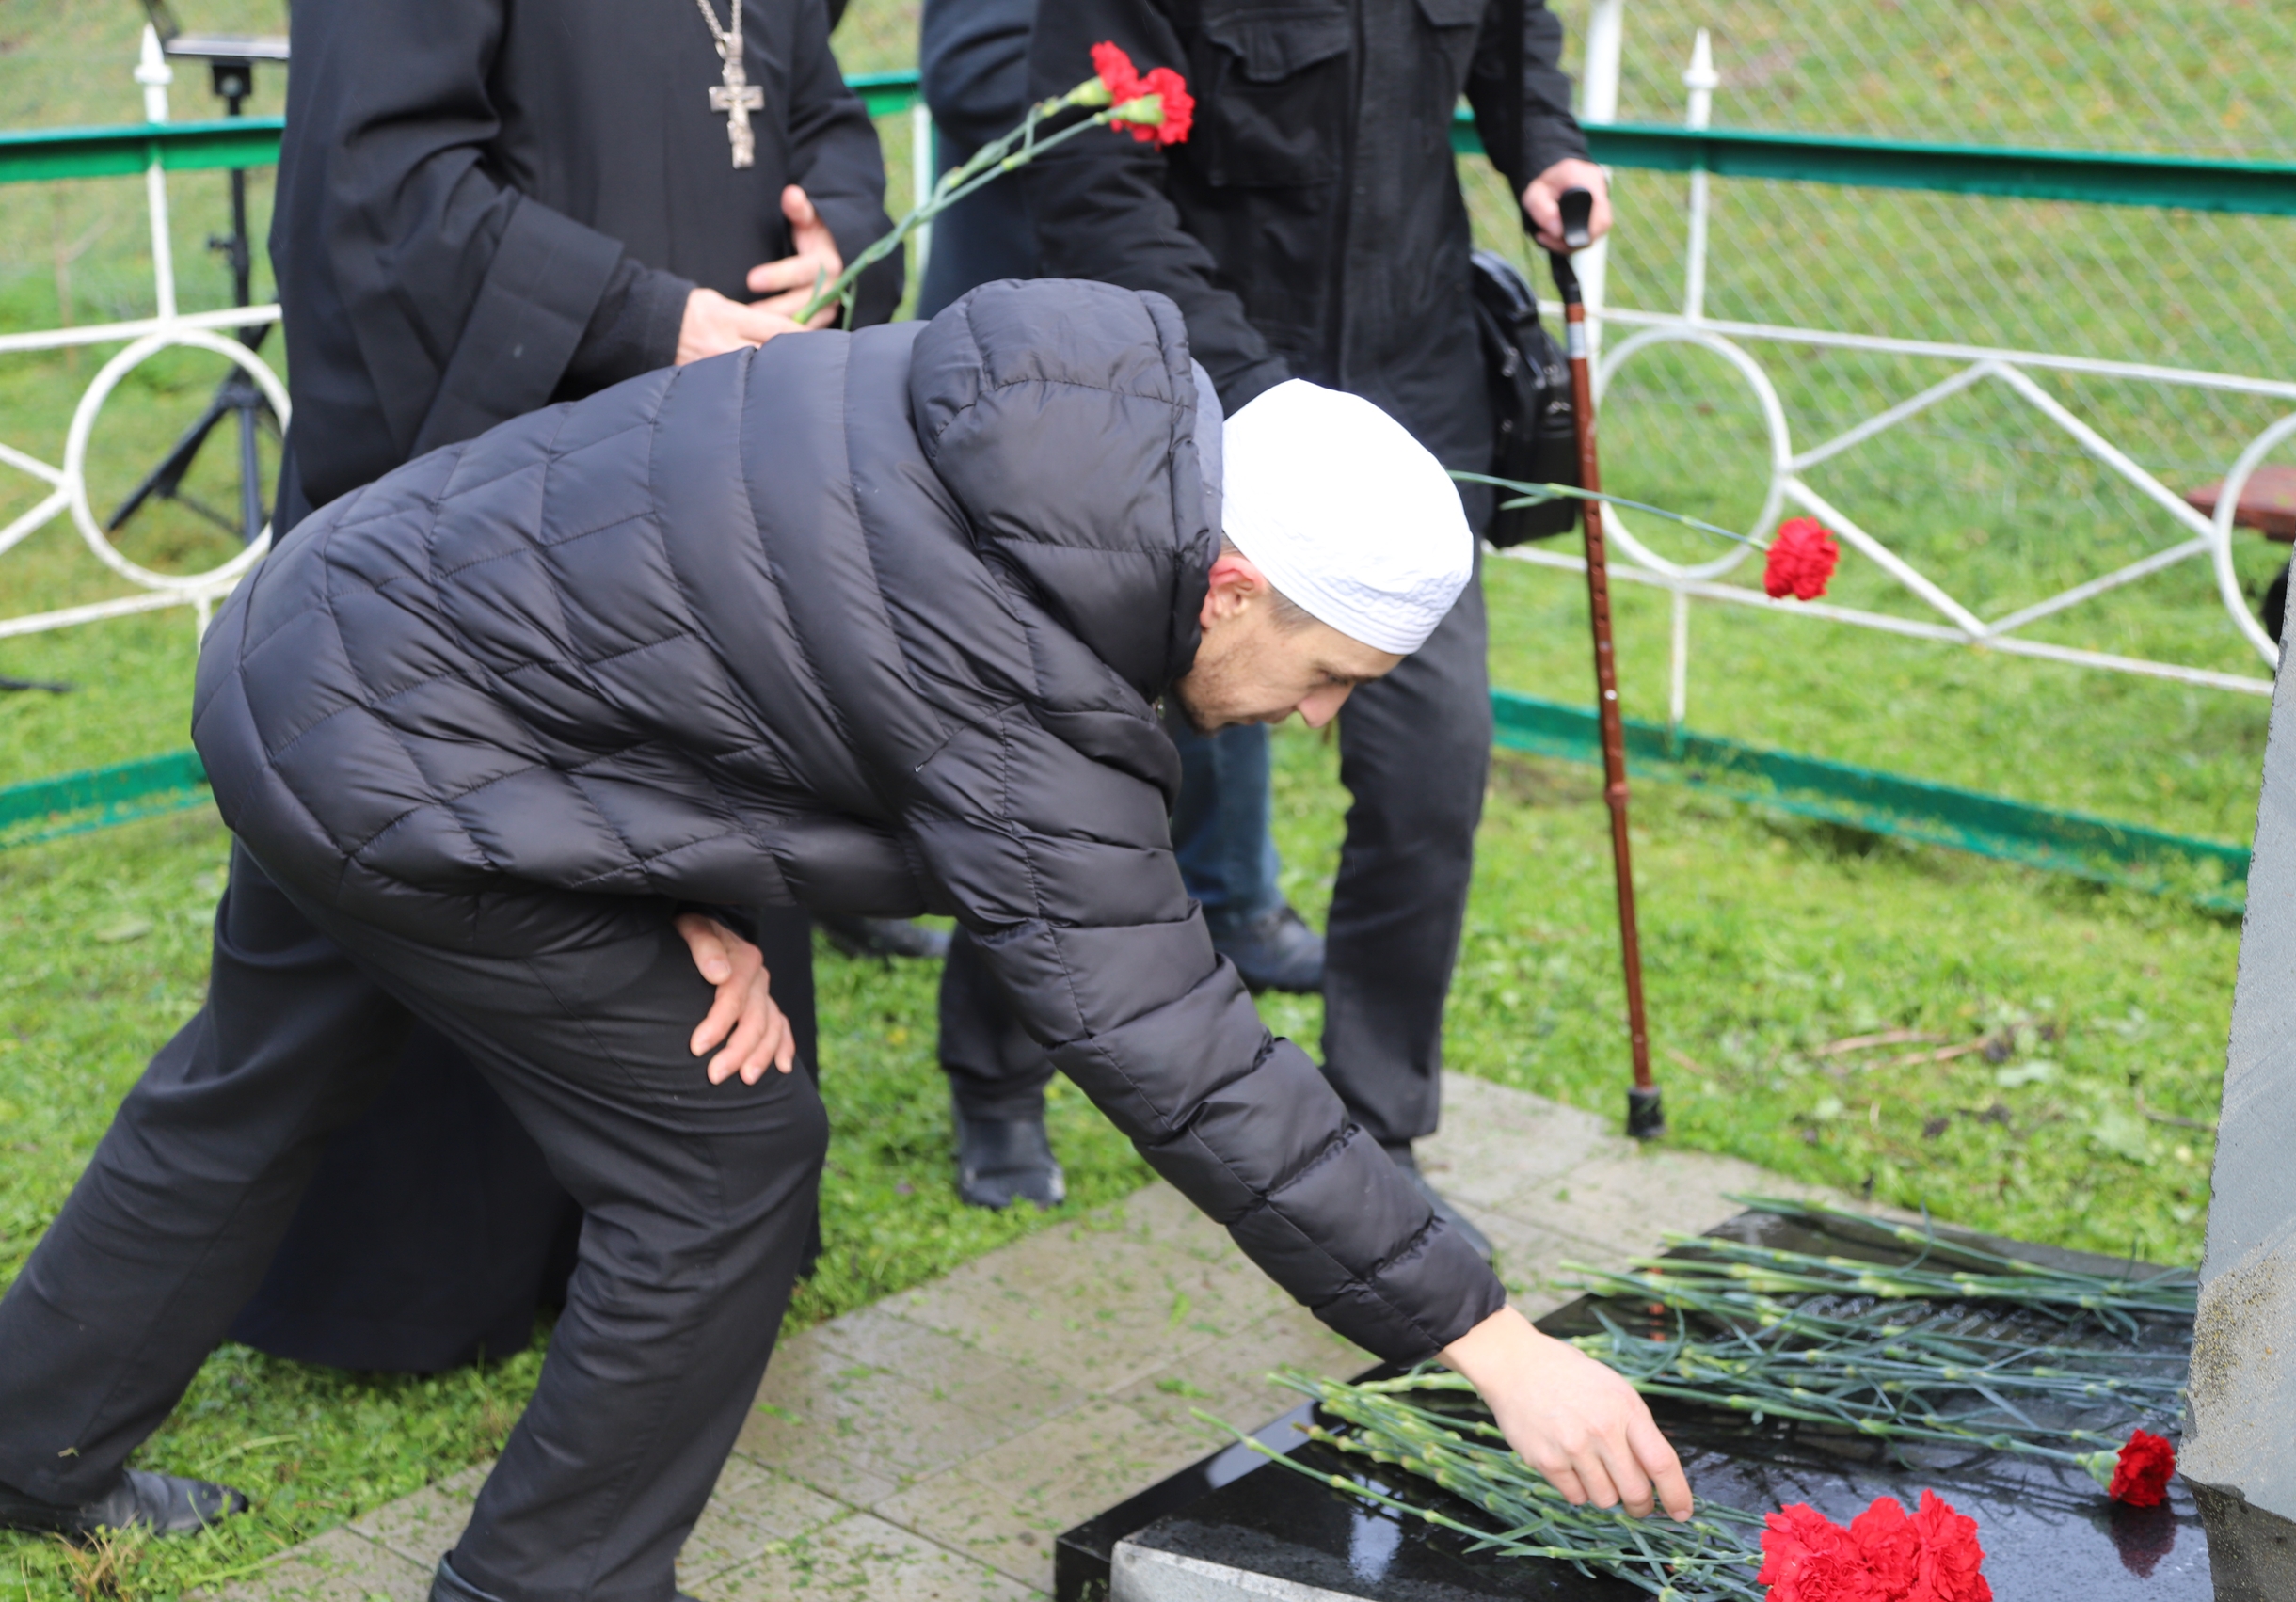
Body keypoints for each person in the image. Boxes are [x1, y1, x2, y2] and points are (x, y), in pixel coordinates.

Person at [0, 280, 1692, 1592]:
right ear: (1236, 583)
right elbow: (1178, 1051)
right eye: (1328, 679)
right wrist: (1484, 1337)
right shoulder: (1032, 657)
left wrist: (663, 880)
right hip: (400, 748)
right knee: (719, 1165)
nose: (1314, 723)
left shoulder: (1050, 427)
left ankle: (27, 1443)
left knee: (258, 1077)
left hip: (331, 623)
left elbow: (715, 619)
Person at [196, 0, 902, 1377]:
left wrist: (838, 243)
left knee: (685, 805)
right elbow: (381, 188)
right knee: (360, 943)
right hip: (497, 473)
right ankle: (403, 1285)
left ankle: (640, 1242)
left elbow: (810, 99)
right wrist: (647, 318)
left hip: (703, 470)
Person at [954, 0, 1614, 1251]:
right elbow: (1092, 178)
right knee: (1097, 757)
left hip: (1413, 394)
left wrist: (1547, 147)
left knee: (1432, 767)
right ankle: (997, 1077)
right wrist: (1252, 394)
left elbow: (1511, 39)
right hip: (1206, 393)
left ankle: (1378, 1129)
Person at [915, 0, 1322, 1216]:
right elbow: (977, 71)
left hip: (1218, 353)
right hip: (1040, 373)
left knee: (1237, 673)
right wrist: (1165, 87)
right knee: (1038, 746)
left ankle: (1231, 895)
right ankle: (997, 1084)